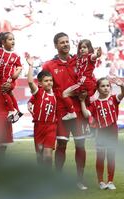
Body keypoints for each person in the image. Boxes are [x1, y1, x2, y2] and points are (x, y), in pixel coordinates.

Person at [42, 32, 89, 190]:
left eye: (67, 42)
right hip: (61, 111)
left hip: (78, 111)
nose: (65, 44)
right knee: (61, 144)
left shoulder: (79, 61)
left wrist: (85, 93)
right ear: (56, 45)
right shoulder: (49, 65)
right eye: (62, 42)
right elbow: (44, 87)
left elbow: (88, 79)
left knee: (80, 145)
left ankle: (80, 180)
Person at [80, 77, 124, 190]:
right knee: (100, 157)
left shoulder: (114, 99)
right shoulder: (94, 104)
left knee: (111, 156)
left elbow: (123, 93)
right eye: (103, 86)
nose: (106, 88)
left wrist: (122, 85)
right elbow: (86, 114)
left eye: (107, 86)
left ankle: (110, 181)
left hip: (112, 131)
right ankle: (101, 181)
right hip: (101, 132)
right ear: (98, 88)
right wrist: (82, 101)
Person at [25, 54, 57, 168]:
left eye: (51, 80)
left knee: (47, 156)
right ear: (40, 83)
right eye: (46, 81)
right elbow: (29, 82)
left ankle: (48, 180)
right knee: (39, 156)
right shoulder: (39, 93)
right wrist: (30, 66)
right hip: (39, 126)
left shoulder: (56, 94)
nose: (49, 82)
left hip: (51, 127)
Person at [61, 39, 102, 121]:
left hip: (84, 83)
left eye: (84, 47)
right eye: (80, 48)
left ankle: (72, 112)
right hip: (85, 83)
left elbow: (94, 57)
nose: (82, 49)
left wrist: (97, 55)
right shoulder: (79, 58)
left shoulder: (90, 57)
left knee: (65, 94)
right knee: (84, 101)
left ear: (89, 49)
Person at [0, 32, 23, 123]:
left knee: (3, 90)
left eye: (13, 39)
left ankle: (12, 110)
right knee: (9, 93)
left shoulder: (16, 55)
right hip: (0, 77)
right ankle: (17, 111)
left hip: (9, 79)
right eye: (10, 39)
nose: (13, 41)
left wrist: (17, 72)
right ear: (3, 42)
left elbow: (19, 66)